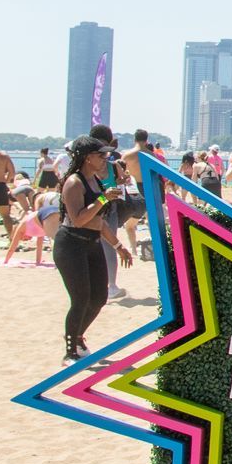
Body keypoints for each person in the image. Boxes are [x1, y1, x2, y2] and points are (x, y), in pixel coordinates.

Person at [54, 136, 132, 364]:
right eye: (101, 155)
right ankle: (70, 351)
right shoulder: (74, 183)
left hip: (92, 243)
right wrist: (102, 199)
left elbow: (99, 222)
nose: (105, 159)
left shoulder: (95, 181)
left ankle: (77, 336)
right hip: (71, 244)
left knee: (99, 297)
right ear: (88, 158)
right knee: (80, 298)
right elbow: (79, 219)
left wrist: (118, 246)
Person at [6, 190, 61, 265]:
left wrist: (5, 261)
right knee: (56, 238)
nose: (26, 239)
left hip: (46, 214)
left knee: (53, 239)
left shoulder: (21, 227)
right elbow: (39, 246)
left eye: (23, 239)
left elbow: (12, 247)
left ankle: (59, 261)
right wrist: (38, 262)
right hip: (52, 212)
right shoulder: (38, 231)